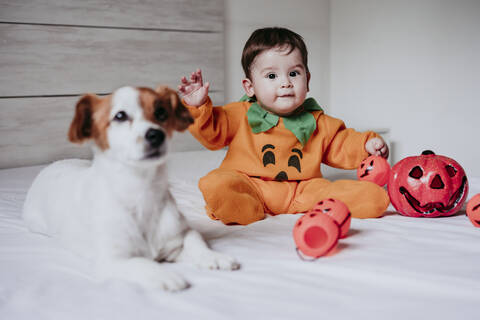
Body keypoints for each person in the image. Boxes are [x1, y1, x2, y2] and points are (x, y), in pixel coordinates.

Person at [178, 27, 390, 225]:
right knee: (218, 183)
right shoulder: (239, 113)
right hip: (251, 186)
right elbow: (212, 132)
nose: (285, 83)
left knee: (340, 192)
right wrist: (197, 107)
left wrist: (367, 146)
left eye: (294, 73)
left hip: (303, 189)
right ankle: (242, 208)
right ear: (250, 87)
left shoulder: (317, 121)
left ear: (307, 80)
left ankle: (367, 199)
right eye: (272, 76)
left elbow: (342, 144)